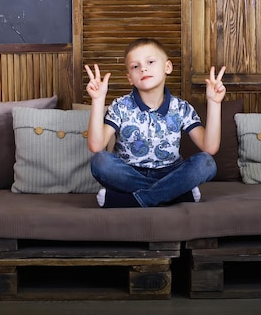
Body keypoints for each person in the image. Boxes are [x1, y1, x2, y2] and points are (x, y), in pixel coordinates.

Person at [84, 38, 226, 208]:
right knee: (100, 161)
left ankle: (135, 200)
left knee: (206, 163)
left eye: (150, 62)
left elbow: (209, 148)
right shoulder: (120, 106)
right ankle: (174, 195)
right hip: (129, 173)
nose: (143, 68)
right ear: (130, 78)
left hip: (171, 173)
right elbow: (96, 146)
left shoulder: (181, 108)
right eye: (135, 66)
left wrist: (214, 103)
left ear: (168, 67)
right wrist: (98, 100)